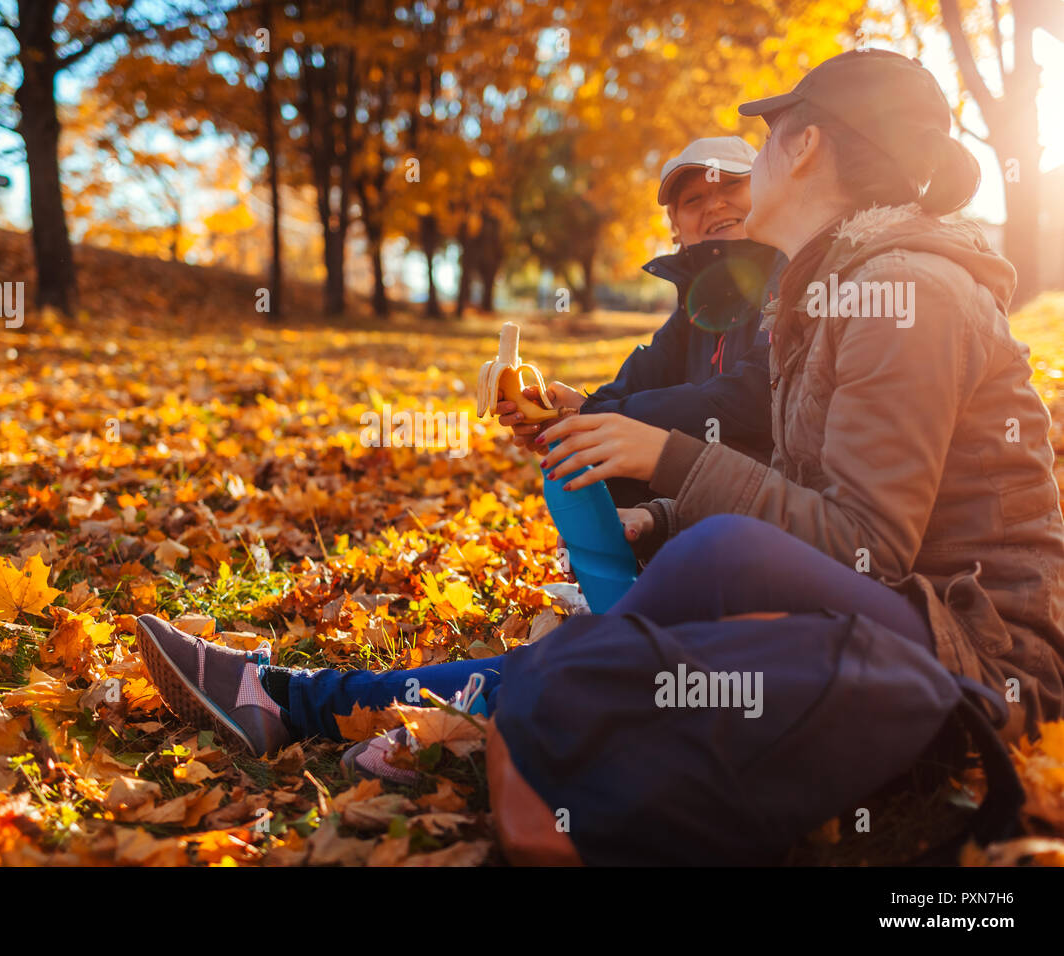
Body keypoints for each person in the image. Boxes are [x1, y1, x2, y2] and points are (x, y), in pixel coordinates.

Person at [135, 50, 1063, 786]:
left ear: (808, 147)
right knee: (646, 621)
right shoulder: (834, 292)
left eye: (767, 140)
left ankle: (318, 702)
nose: (726, 193)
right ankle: (304, 699)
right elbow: (811, 491)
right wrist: (657, 501)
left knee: (704, 572)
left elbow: (870, 543)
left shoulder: (903, 291)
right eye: (689, 203)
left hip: (979, 650)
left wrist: (667, 462)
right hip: (904, 617)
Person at [499, 135, 786, 515]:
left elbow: (754, 393)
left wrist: (599, 416)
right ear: (677, 229)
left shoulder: (789, 275)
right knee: (588, 466)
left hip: (778, 493)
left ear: (766, 192)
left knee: (613, 449)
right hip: (704, 483)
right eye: (693, 200)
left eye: (732, 184)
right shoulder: (695, 304)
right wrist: (570, 412)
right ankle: (619, 568)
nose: (715, 204)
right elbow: (642, 378)